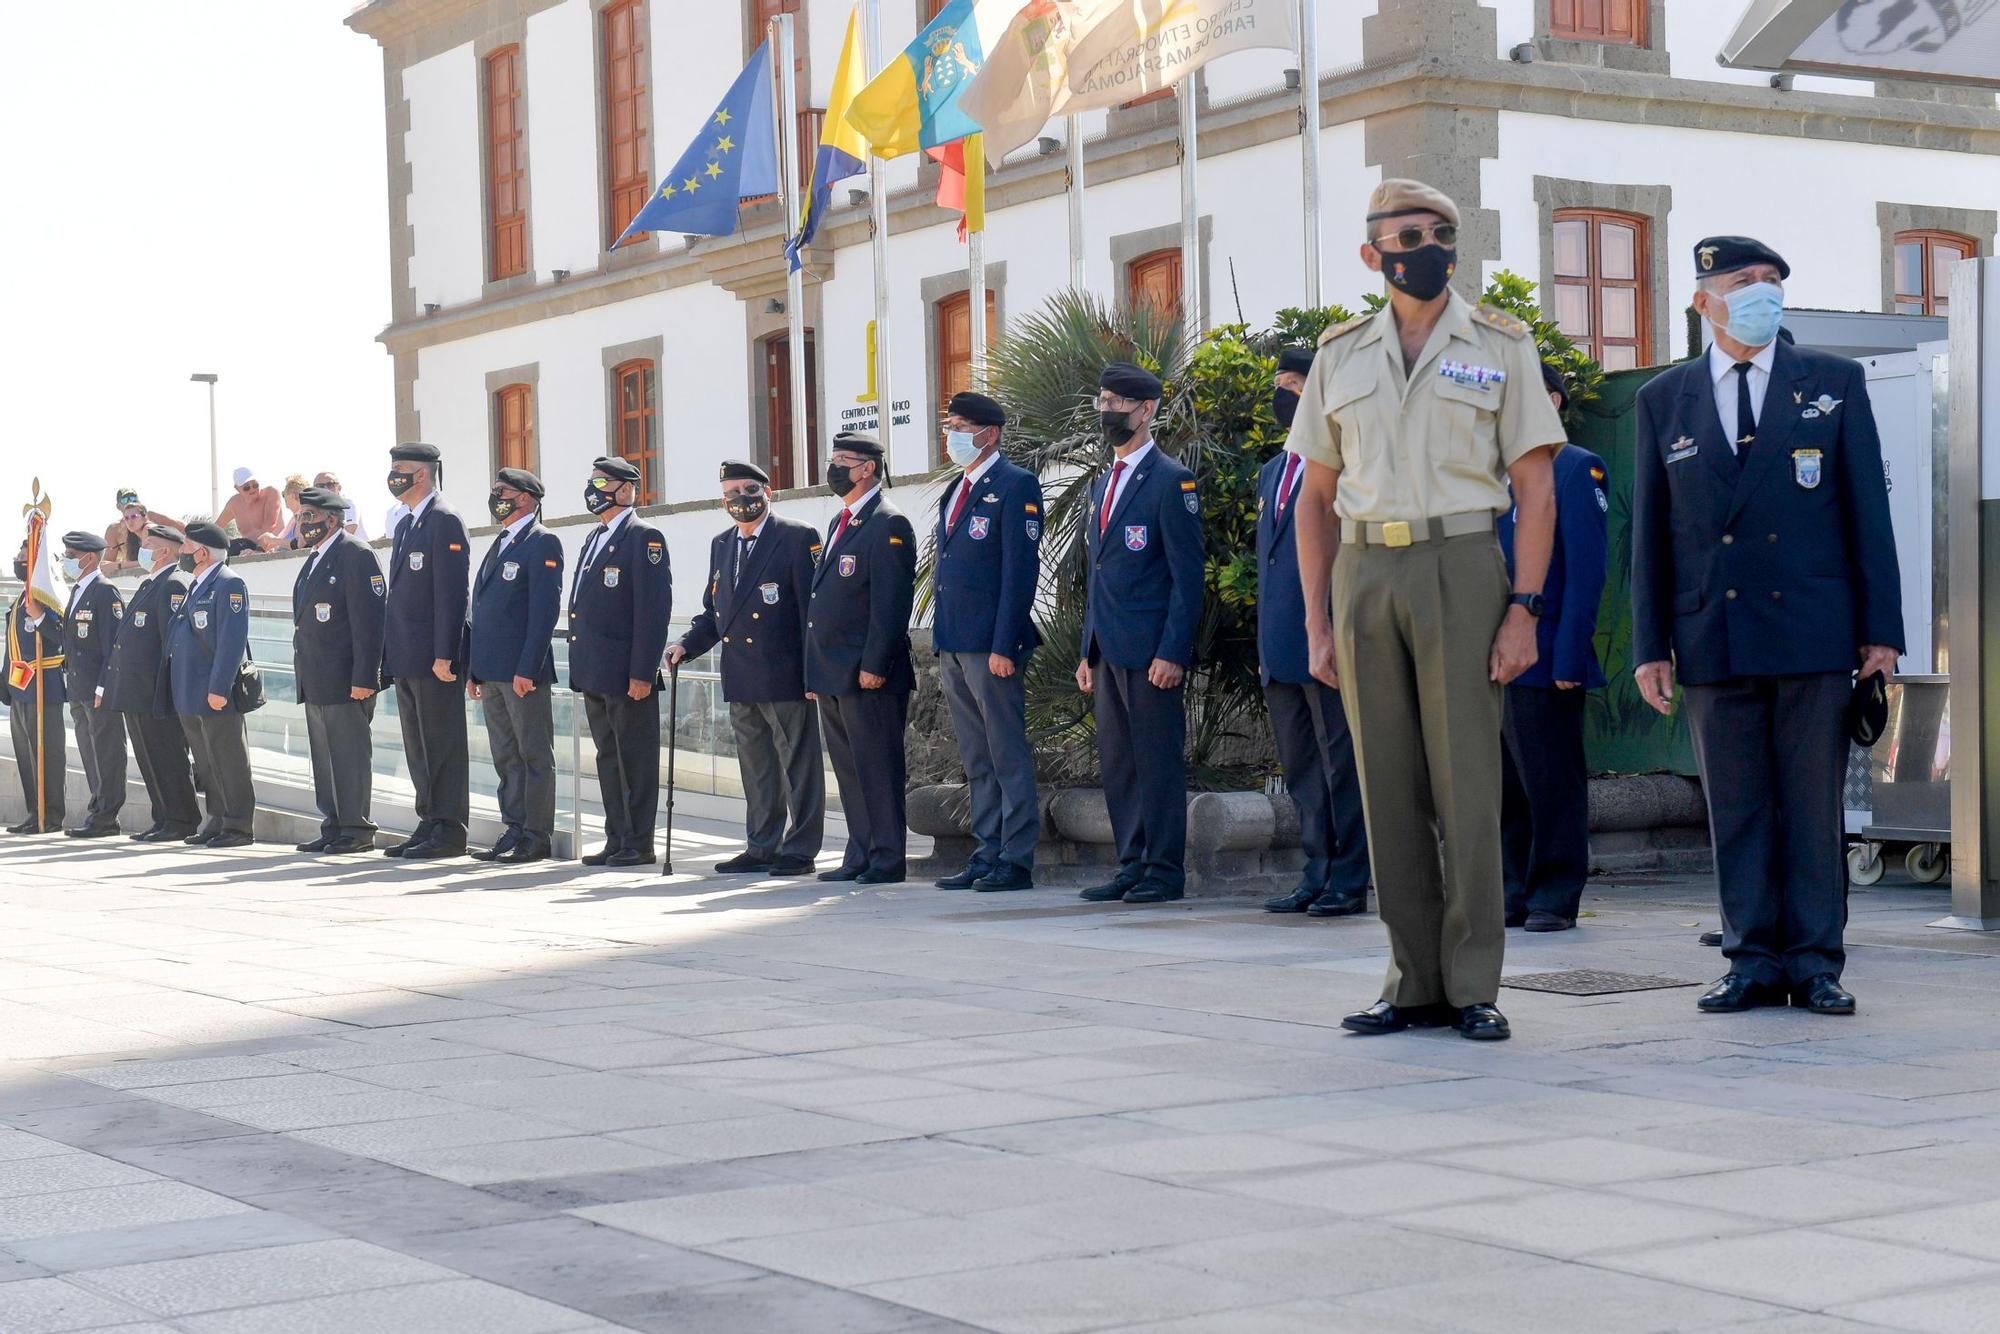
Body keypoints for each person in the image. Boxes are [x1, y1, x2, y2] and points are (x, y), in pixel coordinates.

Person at [1290, 179, 1564, 1042]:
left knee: (1467, 783)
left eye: (1436, 232)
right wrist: (1316, 619)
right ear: (1373, 254)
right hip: (1366, 570)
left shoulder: (1499, 343)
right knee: (1389, 788)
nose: (1422, 246)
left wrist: (1524, 609)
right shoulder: (1339, 354)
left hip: (1461, 563)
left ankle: (1474, 981)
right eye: (1403, 235)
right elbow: (1313, 497)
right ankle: (1411, 980)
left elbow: (1535, 485)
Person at [1632, 235, 1903, 1017]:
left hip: (1814, 630)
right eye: (1746, 281)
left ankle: (1816, 961)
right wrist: (1652, 643)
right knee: (1739, 805)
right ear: (1703, 298)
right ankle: (1751, 957)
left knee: (1812, 804)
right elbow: (1650, 535)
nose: (1765, 293)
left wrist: (1879, 633)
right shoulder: (1664, 399)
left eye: (1775, 282)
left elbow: (1867, 518)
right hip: (1714, 632)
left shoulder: (1832, 382)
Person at [1075, 363, 1205, 906]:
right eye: (1102, 400)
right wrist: (1087, 651)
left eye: (1117, 402)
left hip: (1152, 652)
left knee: (1156, 763)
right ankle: (1131, 863)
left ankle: (1163, 870)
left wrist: (1173, 651)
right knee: (1121, 764)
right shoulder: (1103, 483)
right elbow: (1098, 571)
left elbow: (1187, 576)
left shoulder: (1172, 480)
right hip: (1109, 650)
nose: (1107, 410)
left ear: (1145, 410)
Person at [668, 461, 822, 876]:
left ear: (767, 493)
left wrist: (814, 674)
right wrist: (685, 645)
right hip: (741, 674)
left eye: (749, 489)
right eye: (731, 492)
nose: (741, 499)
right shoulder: (722, 544)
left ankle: (800, 848)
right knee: (756, 768)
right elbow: (716, 614)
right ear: (722, 501)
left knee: (798, 767)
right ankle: (761, 845)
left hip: (786, 673)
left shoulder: (796, 537)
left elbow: (812, 614)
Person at [1498, 363, 1609, 933]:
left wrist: (1569, 657)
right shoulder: (1493, 474)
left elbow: (1587, 573)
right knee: (1505, 788)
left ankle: (1555, 894)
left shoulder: (1574, 469)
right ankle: (1511, 890)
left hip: (1546, 657)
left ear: (1555, 402)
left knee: (1552, 783)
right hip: (1493, 662)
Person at [1260, 350, 1370, 918]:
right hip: (1281, 647)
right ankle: (1316, 871)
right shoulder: (1272, 472)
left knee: (1342, 766)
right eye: (1278, 384)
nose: (1284, 394)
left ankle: (1350, 878)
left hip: (1330, 641)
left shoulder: (1346, 463)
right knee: (1303, 770)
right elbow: (1272, 567)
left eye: (1295, 384)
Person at [931, 392, 1044, 893]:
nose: (951, 435)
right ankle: (986, 850)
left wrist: (1004, 644)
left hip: (991, 646)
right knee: (976, 755)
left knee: (1006, 751)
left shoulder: (1015, 484)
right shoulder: (955, 488)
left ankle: (1016, 857)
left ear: (989, 433)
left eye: (960, 425)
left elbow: (1020, 573)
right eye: (950, 425)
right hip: (955, 641)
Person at [807, 432, 917, 885]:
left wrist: (875, 663)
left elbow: (890, 604)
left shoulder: (889, 523)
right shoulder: (841, 521)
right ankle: (860, 851)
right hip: (833, 672)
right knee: (850, 770)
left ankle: (888, 855)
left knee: (877, 765)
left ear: (867, 467)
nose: (834, 469)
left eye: (842, 461)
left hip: (867, 673)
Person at [567, 456, 672, 867]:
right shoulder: (595, 537)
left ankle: (639, 842)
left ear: (626, 491)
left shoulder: (644, 537)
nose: (595, 488)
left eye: (603, 482)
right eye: (593, 480)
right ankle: (617, 837)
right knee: (608, 758)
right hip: (595, 670)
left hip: (628, 674)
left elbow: (653, 610)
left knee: (636, 760)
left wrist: (643, 671)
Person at [467, 467, 563, 865]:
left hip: (522, 673)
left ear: (526, 498)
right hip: (491, 671)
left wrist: (529, 667)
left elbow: (544, 612)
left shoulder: (542, 542)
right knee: (506, 756)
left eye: (502, 491)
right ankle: (515, 827)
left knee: (533, 754)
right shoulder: (502, 541)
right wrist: (474, 669)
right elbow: (482, 612)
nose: (496, 497)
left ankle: (536, 835)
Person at [381, 443, 471, 859]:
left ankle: (449, 829)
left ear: (422, 474)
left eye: (401, 468)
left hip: (435, 657)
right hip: (406, 654)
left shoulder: (444, 520)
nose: (394, 475)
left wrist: (445, 653)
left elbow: (451, 595)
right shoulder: (405, 524)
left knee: (442, 743)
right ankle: (428, 819)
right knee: (417, 744)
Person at [292, 488, 386, 855]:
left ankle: (356, 828)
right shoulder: (314, 559)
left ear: (332, 519)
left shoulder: (355, 554)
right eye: (301, 516)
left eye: (310, 516)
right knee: (325, 759)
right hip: (316, 677)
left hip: (346, 678)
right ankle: (333, 823)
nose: (303, 523)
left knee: (349, 756)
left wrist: (366, 677)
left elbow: (370, 622)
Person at [100, 525, 201, 842]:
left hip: (155, 691)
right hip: (136, 691)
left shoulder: (173, 584)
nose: (141, 548)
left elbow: (171, 643)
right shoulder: (150, 583)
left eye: (148, 543)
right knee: (149, 758)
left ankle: (182, 818)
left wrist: (164, 690)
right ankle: (164, 817)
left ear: (166, 551)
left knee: (167, 756)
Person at [166, 521, 255, 847]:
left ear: (202, 552)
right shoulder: (197, 584)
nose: (182, 552)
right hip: (191, 691)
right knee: (207, 761)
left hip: (214, 692)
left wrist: (219, 688)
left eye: (186, 547)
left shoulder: (229, 584)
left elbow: (231, 643)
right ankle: (216, 820)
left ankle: (238, 826)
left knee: (228, 759)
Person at [58, 531, 127, 837]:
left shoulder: (104, 592)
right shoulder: (77, 591)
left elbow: (114, 646)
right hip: (78, 686)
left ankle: (107, 815)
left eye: (71, 557)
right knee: (90, 750)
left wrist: (104, 687)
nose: (66, 561)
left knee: (107, 750)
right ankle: (98, 808)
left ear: (89, 558)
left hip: (98, 689)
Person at [4, 538, 66, 834]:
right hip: (20, 686)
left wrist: (40, 618)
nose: (17, 559)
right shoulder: (20, 599)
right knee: (26, 754)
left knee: (47, 754)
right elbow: (12, 648)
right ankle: (34, 811)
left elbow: (64, 637)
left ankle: (50, 814)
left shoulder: (48, 597)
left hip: (44, 683)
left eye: (23, 556)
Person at [100, 490, 175, 577]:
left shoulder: (149, 529)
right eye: (126, 518)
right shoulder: (129, 534)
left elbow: (148, 562)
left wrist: (117, 565)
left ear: (145, 516)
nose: (130, 521)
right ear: (118, 506)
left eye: (133, 516)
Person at [217, 467, 283, 551]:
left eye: (255, 485)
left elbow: (270, 525)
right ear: (237, 488)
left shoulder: (270, 493)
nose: (252, 489)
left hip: (273, 549)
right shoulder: (234, 503)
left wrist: (258, 550)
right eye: (246, 487)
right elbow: (216, 527)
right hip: (247, 550)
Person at [260, 475, 311, 552]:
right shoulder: (294, 519)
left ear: (292, 496)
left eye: (284, 494)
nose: (283, 498)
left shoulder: (305, 517)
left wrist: (272, 539)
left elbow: (299, 545)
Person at [314, 472, 371, 540]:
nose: (326, 489)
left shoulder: (348, 504)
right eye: (320, 486)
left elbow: (350, 529)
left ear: (339, 488)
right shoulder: (315, 510)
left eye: (330, 485)